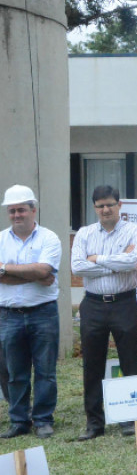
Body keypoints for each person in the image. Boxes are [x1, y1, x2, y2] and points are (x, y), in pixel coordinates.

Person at [71, 185, 137, 440]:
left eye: (110, 204)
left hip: (124, 303)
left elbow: (132, 262)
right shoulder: (84, 233)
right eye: (100, 205)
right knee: (92, 364)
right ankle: (94, 423)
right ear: (94, 207)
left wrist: (97, 259)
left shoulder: (134, 230)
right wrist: (114, 262)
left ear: (119, 205)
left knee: (129, 362)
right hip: (92, 304)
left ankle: (128, 419)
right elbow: (77, 268)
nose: (105, 209)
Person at [0, 185, 61, 439]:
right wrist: (35, 274)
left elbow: (45, 269)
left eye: (22, 210)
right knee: (15, 372)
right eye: (12, 211)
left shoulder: (50, 238)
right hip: (9, 315)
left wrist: (5, 269)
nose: (17, 215)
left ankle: (43, 419)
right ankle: (19, 420)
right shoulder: (1, 239)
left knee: (45, 371)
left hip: (43, 312)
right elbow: (40, 273)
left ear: (33, 210)